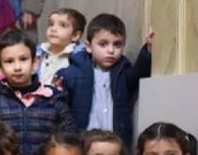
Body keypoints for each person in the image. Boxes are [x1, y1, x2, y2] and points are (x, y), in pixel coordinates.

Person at [0, 30, 75, 155]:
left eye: (23, 59)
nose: (17, 67)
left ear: (35, 63)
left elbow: (69, 141)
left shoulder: (53, 99)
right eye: (9, 61)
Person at [56, 13, 153, 147]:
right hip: (82, 143)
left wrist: (147, 51)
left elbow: (139, 74)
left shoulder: (123, 72)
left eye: (117, 44)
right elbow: (61, 108)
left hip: (115, 143)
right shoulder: (72, 74)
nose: (111, 50)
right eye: (103, 44)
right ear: (89, 47)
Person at [36, 8, 86, 86]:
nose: (53, 29)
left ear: (75, 35)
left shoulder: (80, 57)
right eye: (51, 24)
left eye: (62, 25)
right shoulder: (38, 52)